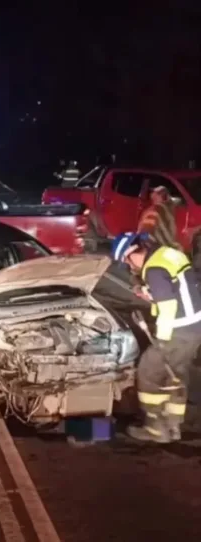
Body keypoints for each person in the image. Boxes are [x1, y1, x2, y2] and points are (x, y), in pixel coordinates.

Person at [112, 232, 201, 442]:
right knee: (176, 375)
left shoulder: (153, 268)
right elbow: (178, 288)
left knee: (148, 372)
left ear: (131, 254)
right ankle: (173, 426)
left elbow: (168, 306)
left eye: (126, 262)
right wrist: (149, 293)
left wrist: (161, 340)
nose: (130, 267)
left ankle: (155, 428)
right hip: (195, 326)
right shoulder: (168, 254)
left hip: (178, 330)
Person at [137, 185, 180, 250]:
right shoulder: (169, 209)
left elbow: (144, 229)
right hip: (165, 246)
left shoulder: (154, 210)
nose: (151, 194)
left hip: (154, 246)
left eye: (154, 192)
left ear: (160, 196)